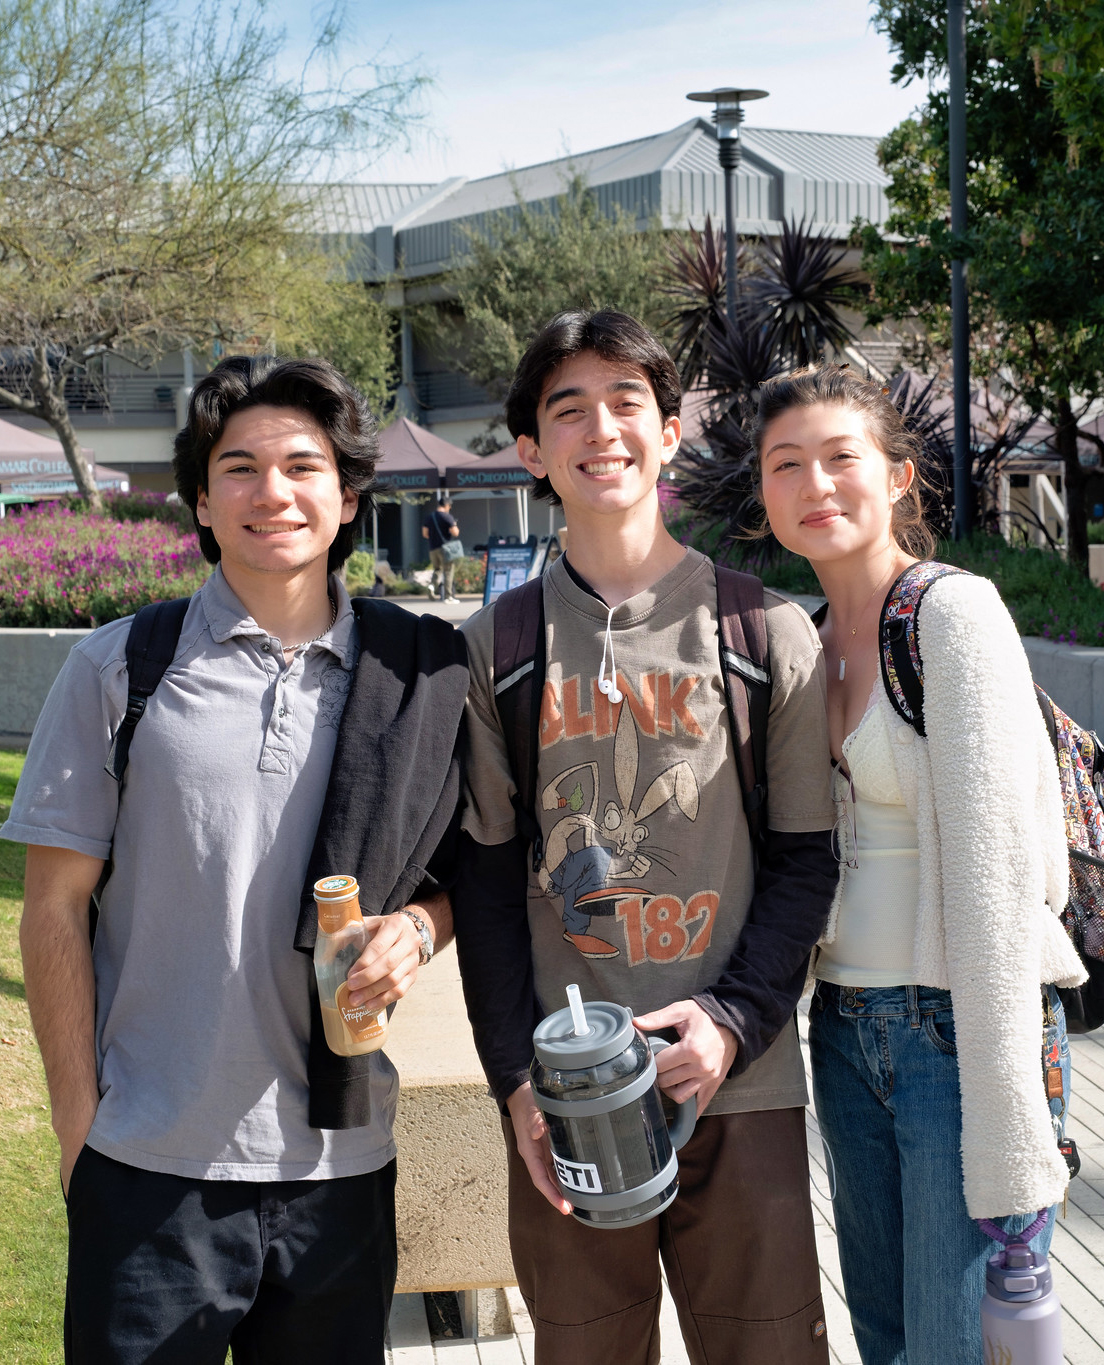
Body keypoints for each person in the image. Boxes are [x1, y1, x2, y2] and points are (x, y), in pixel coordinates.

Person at [3, 356, 469, 1365]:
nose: (273, 492)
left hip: (342, 1168)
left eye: (302, 466)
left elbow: (459, 876)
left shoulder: (418, 673)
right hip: (148, 1166)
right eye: (240, 467)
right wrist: (80, 1127)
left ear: (346, 498)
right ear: (203, 507)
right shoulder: (120, 667)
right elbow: (51, 909)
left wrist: (418, 932)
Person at [452, 310, 839, 1365]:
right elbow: (485, 888)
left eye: (628, 403)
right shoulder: (500, 647)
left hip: (741, 1083)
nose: (602, 429)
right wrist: (514, 1082)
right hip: (564, 1103)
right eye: (568, 409)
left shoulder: (764, 631)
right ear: (533, 451)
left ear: (670, 432)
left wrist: (731, 1020)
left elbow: (808, 862)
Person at [753, 364, 1087, 1365]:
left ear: (899, 477)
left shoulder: (950, 613)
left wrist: (1010, 1132)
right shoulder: (805, 641)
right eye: (786, 464)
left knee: (948, 1346)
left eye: (840, 458)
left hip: (957, 1029)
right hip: (847, 1026)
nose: (815, 484)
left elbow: (996, 880)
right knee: (890, 1337)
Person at [422, 492, 461, 601]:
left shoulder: (430, 517)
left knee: (437, 569)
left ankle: (431, 586)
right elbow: (455, 533)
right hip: (445, 549)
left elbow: (425, 534)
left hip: (432, 548)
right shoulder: (447, 517)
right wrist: (455, 525)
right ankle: (448, 597)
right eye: (450, 506)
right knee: (448, 571)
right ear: (447, 505)